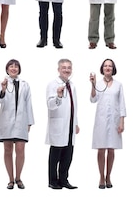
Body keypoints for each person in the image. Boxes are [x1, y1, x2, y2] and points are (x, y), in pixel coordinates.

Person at [0, 59, 34, 189]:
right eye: (11, 66)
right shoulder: (2, 83)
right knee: (8, 150)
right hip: (6, 122)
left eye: (16, 66)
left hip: (21, 122)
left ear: (19, 69)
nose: (14, 68)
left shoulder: (25, 84)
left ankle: (18, 178)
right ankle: (10, 179)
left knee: (20, 149)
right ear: (7, 69)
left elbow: (28, 104)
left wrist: (30, 122)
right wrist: (3, 89)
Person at [89, 59, 126, 189]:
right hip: (101, 120)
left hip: (115, 121)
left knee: (111, 149)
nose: (108, 67)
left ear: (113, 68)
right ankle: (101, 177)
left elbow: (122, 104)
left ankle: (108, 176)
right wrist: (93, 84)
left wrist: (122, 121)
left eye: (110, 66)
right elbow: (93, 99)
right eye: (105, 65)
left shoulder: (118, 85)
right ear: (102, 68)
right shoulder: (98, 83)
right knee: (101, 149)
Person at [45, 58, 79, 189]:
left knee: (68, 154)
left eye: (69, 67)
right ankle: (53, 181)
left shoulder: (72, 85)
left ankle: (64, 180)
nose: (67, 70)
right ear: (58, 69)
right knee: (56, 154)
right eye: (64, 67)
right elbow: (50, 105)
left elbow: (74, 106)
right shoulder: (52, 84)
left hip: (70, 124)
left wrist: (76, 122)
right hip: (58, 124)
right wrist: (58, 96)